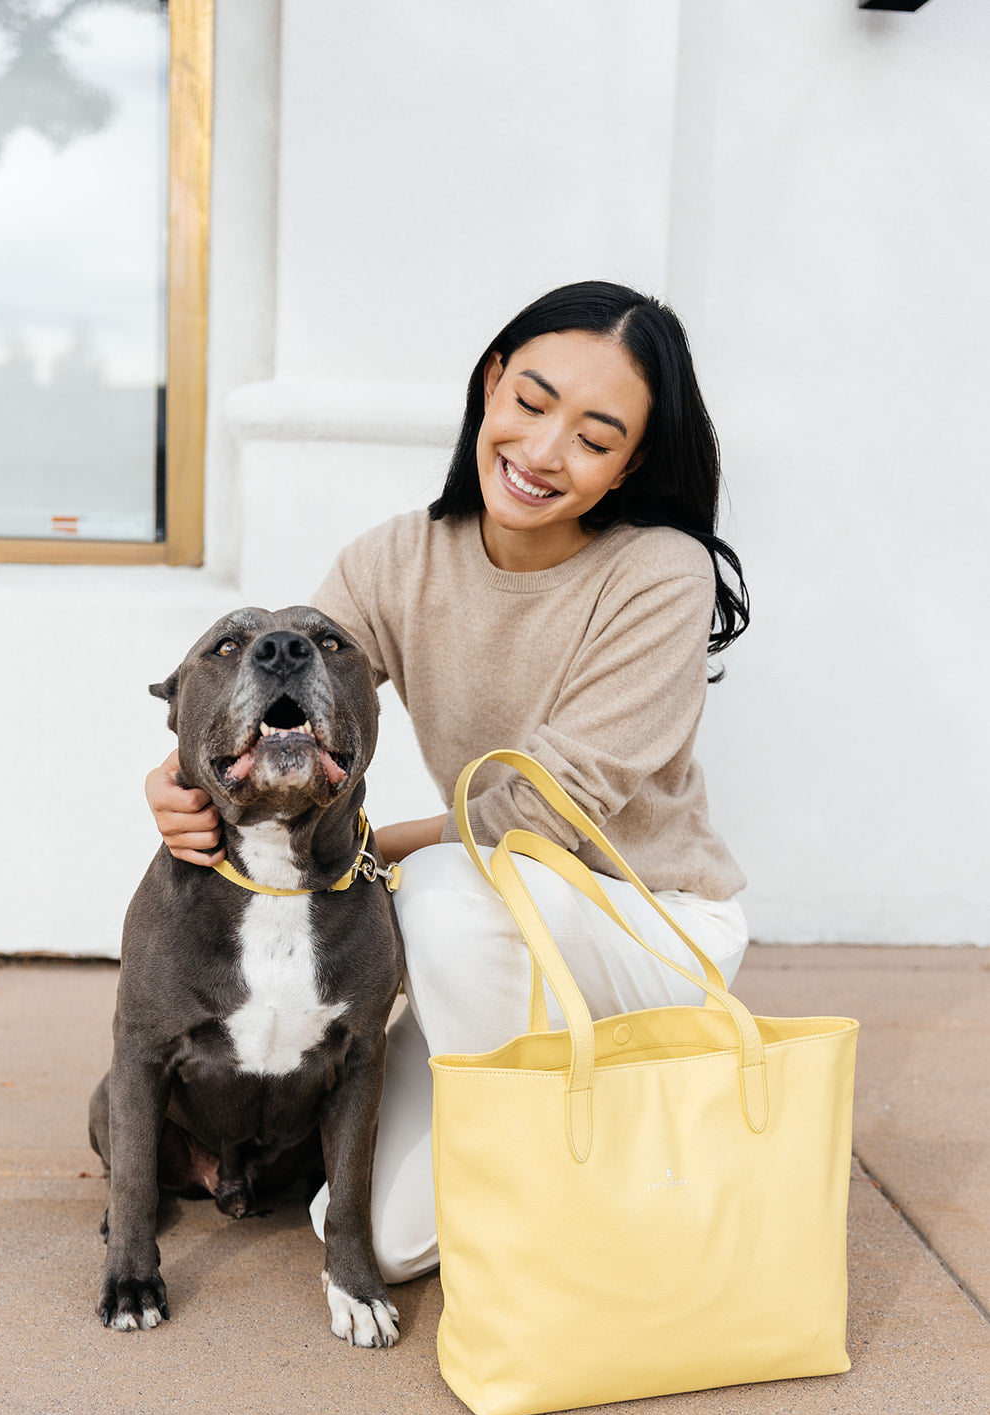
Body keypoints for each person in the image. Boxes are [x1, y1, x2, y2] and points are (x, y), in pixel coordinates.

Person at [145, 281, 751, 1283]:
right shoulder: (396, 560)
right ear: (489, 384)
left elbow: (544, 807)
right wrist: (179, 776)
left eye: (594, 437)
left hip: (648, 926)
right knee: (378, 1241)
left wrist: (378, 848)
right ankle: (538, 1132)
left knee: (440, 891)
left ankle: (553, 1198)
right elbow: (281, 693)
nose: (543, 449)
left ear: (629, 463)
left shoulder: (659, 572)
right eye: (531, 400)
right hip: (489, 930)